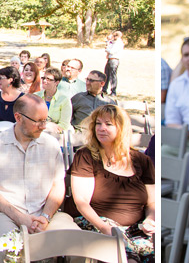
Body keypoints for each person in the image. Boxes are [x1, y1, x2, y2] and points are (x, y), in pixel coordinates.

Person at [0, 95, 79, 263]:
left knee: (79, 246)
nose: (43, 126)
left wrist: (45, 216)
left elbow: (58, 185)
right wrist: (19, 217)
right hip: (6, 213)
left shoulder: (51, 144)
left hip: (45, 212)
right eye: (38, 121)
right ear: (18, 118)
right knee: (8, 253)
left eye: (45, 120)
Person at [68, 104, 155, 263]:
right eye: (98, 124)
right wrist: (103, 227)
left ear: (122, 128)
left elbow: (152, 202)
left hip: (135, 229)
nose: (101, 128)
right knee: (127, 257)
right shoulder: (86, 156)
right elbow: (81, 202)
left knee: (151, 257)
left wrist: (150, 219)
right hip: (96, 223)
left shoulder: (142, 160)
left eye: (108, 124)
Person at [35, 68, 72, 134]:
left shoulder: (64, 100)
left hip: (55, 135)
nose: (44, 81)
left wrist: (49, 128)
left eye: (49, 79)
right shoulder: (35, 96)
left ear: (57, 82)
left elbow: (64, 125)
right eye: (44, 78)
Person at [103, 31, 123, 96]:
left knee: (113, 76)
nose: (113, 37)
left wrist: (107, 49)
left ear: (117, 36)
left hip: (114, 60)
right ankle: (104, 89)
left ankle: (113, 91)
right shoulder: (113, 42)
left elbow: (112, 51)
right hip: (109, 59)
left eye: (114, 36)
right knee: (106, 75)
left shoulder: (119, 43)